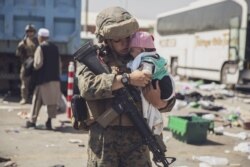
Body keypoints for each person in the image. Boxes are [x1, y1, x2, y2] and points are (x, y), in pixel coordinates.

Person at [76, 6, 171, 167]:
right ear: (105, 39)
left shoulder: (143, 58)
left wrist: (162, 103)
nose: (125, 43)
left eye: (127, 37)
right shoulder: (95, 59)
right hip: (104, 143)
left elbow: (167, 91)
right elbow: (87, 87)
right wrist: (127, 79)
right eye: (117, 40)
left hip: (137, 141)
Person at [127, 31, 176, 135]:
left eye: (131, 50)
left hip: (161, 87)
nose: (129, 53)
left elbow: (147, 71)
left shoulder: (148, 59)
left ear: (141, 50)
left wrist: (159, 102)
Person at [25, 28, 61, 130]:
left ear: (40, 37)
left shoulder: (41, 47)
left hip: (43, 80)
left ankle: (32, 121)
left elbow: (38, 64)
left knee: (37, 100)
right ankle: (49, 121)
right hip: (55, 79)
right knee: (52, 102)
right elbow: (59, 64)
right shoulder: (55, 47)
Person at [16, 24, 38, 104]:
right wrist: (20, 46)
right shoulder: (24, 41)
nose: (30, 33)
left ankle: (36, 98)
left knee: (36, 82)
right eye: (28, 31)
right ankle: (24, 98)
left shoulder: (37, 41)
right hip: (26, 63)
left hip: (35, 63)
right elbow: (18, 53)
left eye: (31, 31)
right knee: (24, 82)